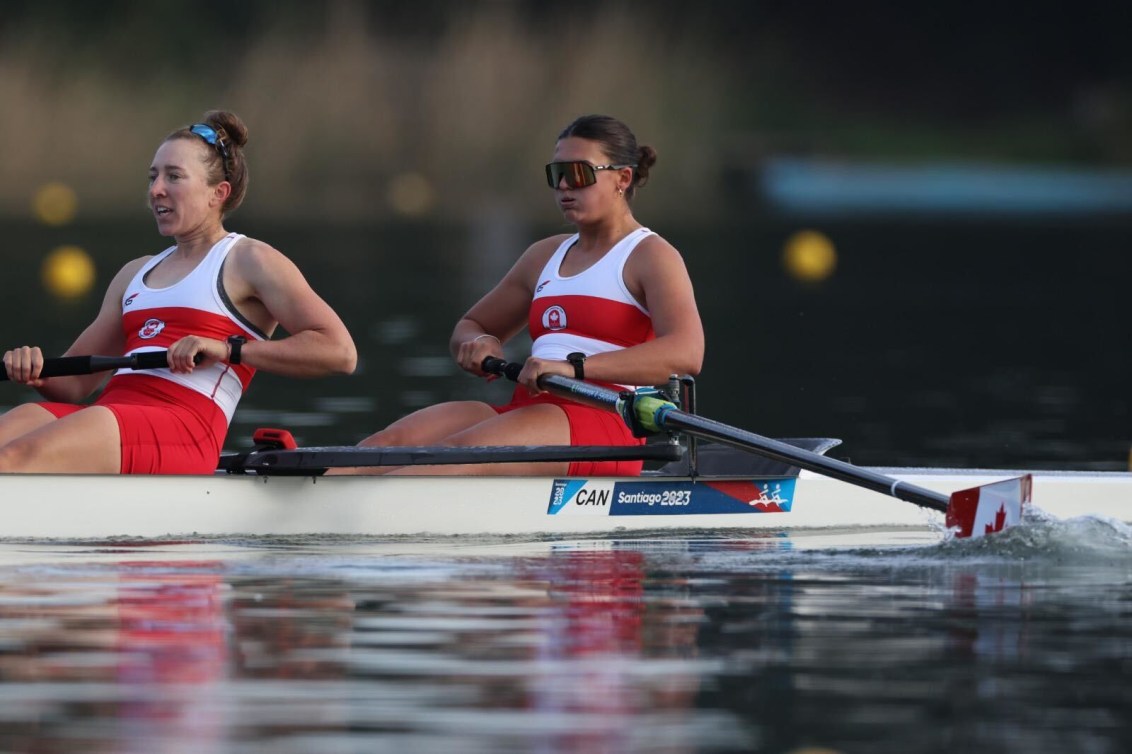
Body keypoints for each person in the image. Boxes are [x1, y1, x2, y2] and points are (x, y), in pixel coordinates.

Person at [339, 114, 703, 477]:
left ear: (622, 178)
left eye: (578, 174)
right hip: (529, 409)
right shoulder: (543, 256)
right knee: (386, 445)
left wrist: (574, 368)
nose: (563, 186)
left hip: (603, 420)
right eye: (556, 174)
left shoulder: (651, 256)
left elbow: (686, 354)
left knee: (452, 457)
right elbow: (472, 325)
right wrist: (479, 342)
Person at [0, 110, 357, 474]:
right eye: (153, 177)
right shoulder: (133, 274)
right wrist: (35, 371)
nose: (156, 189)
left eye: (174, 176)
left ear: (218, 193)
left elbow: (339, 352)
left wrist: (227, 350)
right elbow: (74, 386)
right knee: (20, 422)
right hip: (109, 417)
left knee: (12, 459)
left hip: (184, 428)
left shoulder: (249, 260)